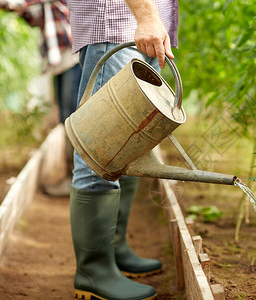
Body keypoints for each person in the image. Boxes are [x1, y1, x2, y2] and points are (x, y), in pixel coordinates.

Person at [66, 0, 178, 299]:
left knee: (128, 147)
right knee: (101, 151)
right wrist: (146, 15)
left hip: (138, 28)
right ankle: (94, 271)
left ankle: (113, 250)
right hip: (117, 25)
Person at [0, 0, 82, 197]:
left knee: (73, 117)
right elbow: (30, 14)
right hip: (62, 61)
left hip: (74, 57)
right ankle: (75, 178)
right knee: (66, 117)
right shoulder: (45, 7)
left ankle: (79, 181)